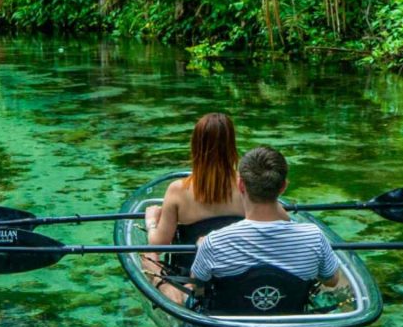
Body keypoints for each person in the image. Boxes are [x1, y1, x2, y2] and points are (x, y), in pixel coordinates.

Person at [189, 146, 340, 300]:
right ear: (283, 187)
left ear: (241, 185)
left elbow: (197, 283)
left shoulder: (214, 242)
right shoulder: (314, 237)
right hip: (291, 320)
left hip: (230, 322)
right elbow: (332, 280)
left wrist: (204, 248)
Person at [142, 113, 248, 302]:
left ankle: (173, 298)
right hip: (240, 274)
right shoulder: (248, 186)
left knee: (147, 255)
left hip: (193, 282)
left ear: (196, 146)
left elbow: (158, 245)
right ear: (232, 146)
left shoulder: (178, 190)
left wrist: (151, 222)